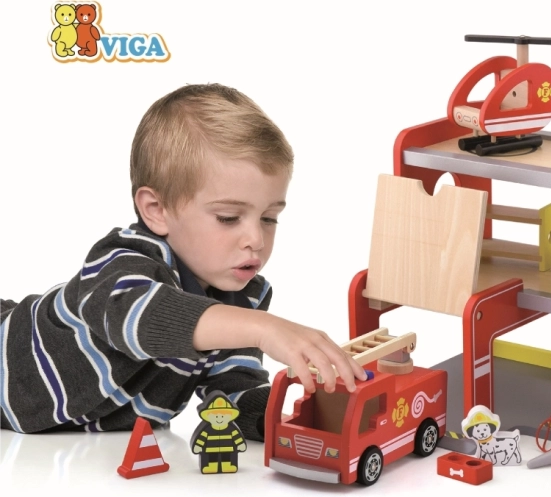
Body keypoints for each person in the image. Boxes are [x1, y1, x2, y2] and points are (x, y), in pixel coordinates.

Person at [0, 83, 366, 441]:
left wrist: (296, 420)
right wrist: (263, 328)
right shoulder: (121, 262)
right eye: (228, 218)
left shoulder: (242, 299)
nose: (256, 239)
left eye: (269, 218)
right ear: (156, 210)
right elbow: (142, 317)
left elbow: (231, 394)